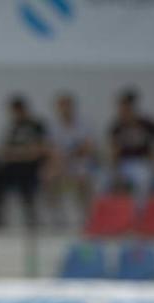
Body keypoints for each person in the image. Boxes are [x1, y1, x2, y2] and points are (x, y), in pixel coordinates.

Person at [0, 94, 47, 229]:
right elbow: (4, 149)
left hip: (31, 165)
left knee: (25, 178)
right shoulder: (13, 127)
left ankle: (31, 215)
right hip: (13, 164)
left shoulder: (36, 125)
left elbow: (38, 149)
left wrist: (17, 153)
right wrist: (17, 153)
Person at [106, 88, 154, 203]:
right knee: (104, 180)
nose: (122, 110)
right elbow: (113, 150)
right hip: (123, 164)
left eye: (125, 107)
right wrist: (115, 170)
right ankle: (112, 213)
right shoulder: (117, 127)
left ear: (132, 108)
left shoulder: (145, 123)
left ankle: (139, 212)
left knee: (144, 179)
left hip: (142, 162)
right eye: (121, 107)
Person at [44, 92, 96, 228]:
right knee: (49, 176)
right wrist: (60, 160)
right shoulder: (53, 126)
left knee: (83, 176)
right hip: (61, 163)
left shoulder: (84, 124)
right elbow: (50, 149)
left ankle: (86, 215)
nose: (65, 109)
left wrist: (70, 154)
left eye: (67, 106)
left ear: (72, 107)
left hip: (80, 163)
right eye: (62, 106)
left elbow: (88, 148)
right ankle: (55, 214)